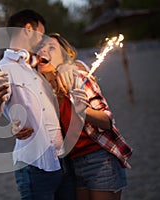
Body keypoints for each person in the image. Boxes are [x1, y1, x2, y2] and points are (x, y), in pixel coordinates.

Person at [16, 33, 133, 200]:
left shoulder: (78, 79)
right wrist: (17, 126)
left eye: (51, 48)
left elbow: (107, 121)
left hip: (99, 160)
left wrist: (83, 111)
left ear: (64, 58)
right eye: (40, 48)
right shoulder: (42, 91)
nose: (43, 51)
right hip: (72, 165)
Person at [0, 10, 75, 199]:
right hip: (35, 168)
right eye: (41, 33)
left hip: (63, 163)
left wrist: (65, 66)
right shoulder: (1, 69)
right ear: (29, 29)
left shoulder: (36, 65)